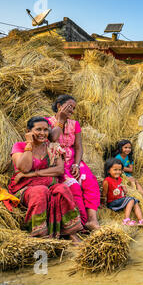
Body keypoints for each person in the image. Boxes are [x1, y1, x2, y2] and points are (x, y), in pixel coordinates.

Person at [8, 117, 83, 243]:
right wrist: (30, 145)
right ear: (28, 131)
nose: (42, 133)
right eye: (38, 129)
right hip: (26, 188)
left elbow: (59, 170)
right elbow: (24, 168)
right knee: (40, 191)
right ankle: (39, 234)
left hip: (49, 184)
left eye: (45, 130)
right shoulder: (19, 146)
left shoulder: (53, 147)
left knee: (63, 189)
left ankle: (70, 232)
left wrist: (33, 174)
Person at [46, 95, 100, 231]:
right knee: (74, 186)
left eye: (74, 108)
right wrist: (61, 120)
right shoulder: (47, 122)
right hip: (57, 162)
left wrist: (76, 164)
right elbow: (53, 138)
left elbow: (78, 147)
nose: (72, 111)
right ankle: (80, 222)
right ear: (59, 106)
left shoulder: (75, 124)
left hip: (73, 161)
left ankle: (92, 220)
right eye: (70, 106)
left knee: (90, 182)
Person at [102, 158, 143, 226]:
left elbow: (122, 192)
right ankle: (126, 220)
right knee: (130, 200)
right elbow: (104, 194)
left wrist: (124, 190)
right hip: (113, 203)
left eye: (119, 170)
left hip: (120, 200)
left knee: (135, 201)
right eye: (115, 170)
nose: (118, 172)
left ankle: (141, 220)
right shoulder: (107, 181)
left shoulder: (119, 179)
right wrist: (102, 204)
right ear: (108, 171)